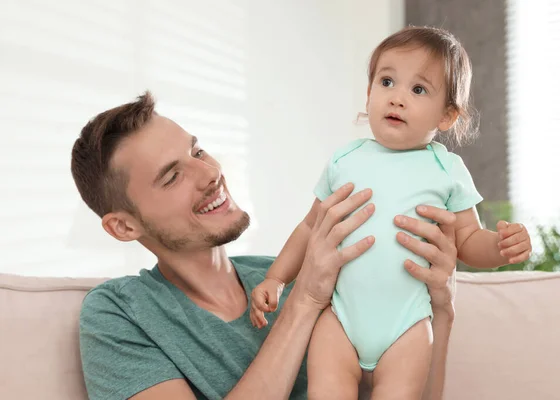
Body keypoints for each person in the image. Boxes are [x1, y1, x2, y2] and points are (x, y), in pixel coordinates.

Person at [71, 91, 459, 400]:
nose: (210, 174)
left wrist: (440, 308)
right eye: (173, 176)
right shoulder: (120, 314)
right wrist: (305, 301)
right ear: (123, 226)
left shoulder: (296, 272)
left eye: (197, 151)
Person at [250, 26, 532, 399]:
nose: (397, 98)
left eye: (418, 90)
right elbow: (308, 228)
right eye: (386, 82)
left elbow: (467, 239)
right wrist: (276, 278)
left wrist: (499, 247)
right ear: (369, 93)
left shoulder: (446, 169)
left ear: (446, 116)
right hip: (339, 320)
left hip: (407, 326)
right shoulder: (344, 160)